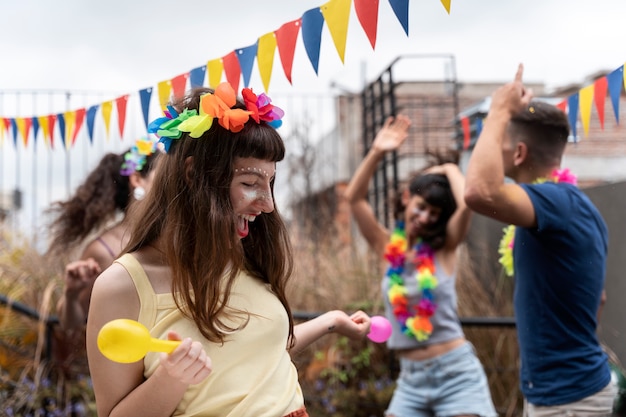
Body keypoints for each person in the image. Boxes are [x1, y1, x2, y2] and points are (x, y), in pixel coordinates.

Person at [85, 82, 371, 417]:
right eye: (250, 184)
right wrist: (171, 378)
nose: (266, 204)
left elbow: (252, 351)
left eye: (269, 183)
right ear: (193, 175)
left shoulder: (245, 254)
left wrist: (331, 321)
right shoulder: (122, 286)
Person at [464, 64, 616, 416]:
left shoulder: (558, 203)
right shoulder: (572, 207)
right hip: (567, 393)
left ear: (518, 154)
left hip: (569, 400)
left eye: (498, 142)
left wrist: (500, 109)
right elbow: (601, 298)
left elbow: (478, 192)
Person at [344, 115, 497, 417]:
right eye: (422, 206)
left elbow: (467, 202)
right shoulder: (388, 247)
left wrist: (448, 168)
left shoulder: (446, 247)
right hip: (411, 380)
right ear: (406, 198)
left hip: (456, 375)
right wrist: (377, 152)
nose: (426, 217)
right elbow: (354, 199)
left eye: (435, 213)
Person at [47, 137, 159, 332]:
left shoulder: (174, 239)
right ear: (137, 179)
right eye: (164, 174)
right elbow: (70, 323)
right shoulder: (102, 251)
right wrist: (72, 294)